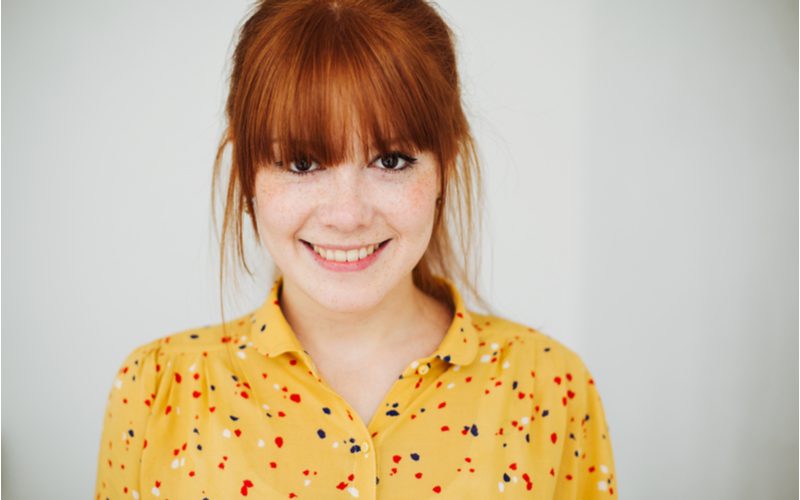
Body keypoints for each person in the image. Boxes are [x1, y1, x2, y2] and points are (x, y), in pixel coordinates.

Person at [94, 1, 617, 498]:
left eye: (391, 161)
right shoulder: (157, 389)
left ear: (445, 168)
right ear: (245, 172)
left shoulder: (550, 387)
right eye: (302, 164)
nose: (347, 215)